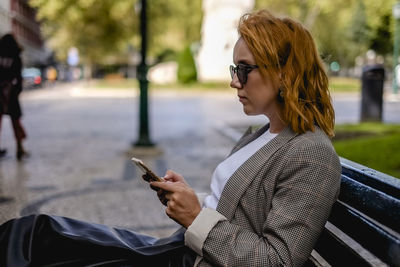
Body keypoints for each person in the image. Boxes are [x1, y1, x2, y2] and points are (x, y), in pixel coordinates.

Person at [0, 10, 341, 267]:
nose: (235, 82)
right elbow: (237, 207)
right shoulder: (265, 135)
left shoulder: (311, 155)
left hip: (190, 258)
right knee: (35, 234)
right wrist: (190, 199)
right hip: (179, 250)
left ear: (283, 73)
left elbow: (278, 260)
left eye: (244, 69)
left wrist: (195, 217)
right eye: (233, 69)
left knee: (34, 240)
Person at [0, 33, 28, 160]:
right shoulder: (16, 55)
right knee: (16, 121)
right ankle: (19, 148)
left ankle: (20, 148)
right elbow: (19, 76)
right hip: (11, 91)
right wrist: (16, 91)